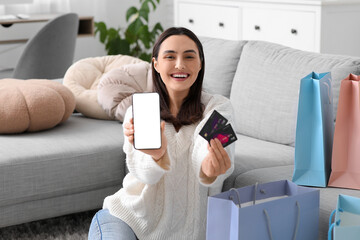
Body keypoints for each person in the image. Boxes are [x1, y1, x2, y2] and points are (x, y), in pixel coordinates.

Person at [88, 27, 235, 240]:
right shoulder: (138, 111)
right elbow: (143, 172)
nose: (180, 65)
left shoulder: (218, 107)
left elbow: (208, 149)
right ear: (156, 64)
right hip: (128, 218)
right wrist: (157, 155)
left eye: (189, 56)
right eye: (170, 57)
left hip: (187, 232)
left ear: (200, 63)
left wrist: (210, 168)